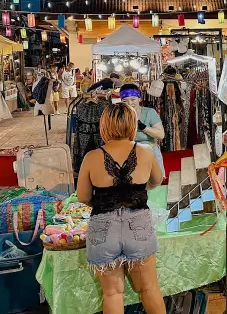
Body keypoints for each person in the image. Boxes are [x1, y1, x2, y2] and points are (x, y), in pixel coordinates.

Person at [76, 103, 164, 314]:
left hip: (103, 227)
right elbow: (156, 181)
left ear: (104, 126)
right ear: (133, 125)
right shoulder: (147, 152)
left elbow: (83, 197)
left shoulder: (91, 157)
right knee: (149, 288)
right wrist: (136, 193)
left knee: (113, 293)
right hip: (139, 224)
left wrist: (106, 202)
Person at [119, 83, 166, 178]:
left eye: (133, 99)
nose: (129, 104)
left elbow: (161, 135)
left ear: (139, 99)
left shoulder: (149, 112)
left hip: (150, 153)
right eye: (125, 101)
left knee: (154, 183)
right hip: (128, 155)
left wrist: (143, 127)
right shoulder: (119, 115)